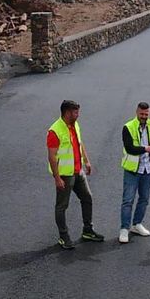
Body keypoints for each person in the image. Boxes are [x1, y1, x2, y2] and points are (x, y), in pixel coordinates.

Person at [47, 100, 104, 249]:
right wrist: (57, 178)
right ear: (67, 113)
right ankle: (63, 236)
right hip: (65, 175)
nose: (78, 115)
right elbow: (52, 156)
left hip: (78, 171)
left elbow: (79, 143)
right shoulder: (54, 131)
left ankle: (88, 230)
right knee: (62, 206)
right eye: (75, 112)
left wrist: (87, 161)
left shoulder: (75, 125)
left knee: (87, 197)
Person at [119, 102, 150, 244]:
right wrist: (146, 149)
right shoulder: (128, 127)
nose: (144, 116)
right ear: (137, 112)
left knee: (144, 198)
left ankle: (137, 224)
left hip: (148, 169)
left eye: (146, 114)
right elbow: (129, 148)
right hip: (133, 170)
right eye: (142, 114)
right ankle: (124, 229)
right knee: (128, 200)